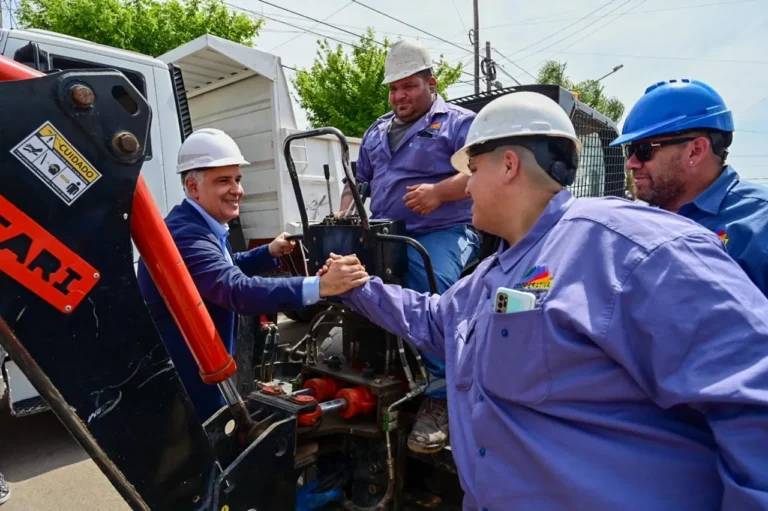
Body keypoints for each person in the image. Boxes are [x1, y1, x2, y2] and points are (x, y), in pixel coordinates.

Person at [318, 91, 768, 509]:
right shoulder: (496, 270)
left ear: (509, 165)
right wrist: (358, 287)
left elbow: (751, 402)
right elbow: (435, 319)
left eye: (472, 172)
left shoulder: (633, 249)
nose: (467, 188)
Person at [137, 128, 366, 422]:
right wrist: (320, 285)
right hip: (188, 378)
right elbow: (235, 290)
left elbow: (226, 265)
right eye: (223, 181)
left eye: (237, 179)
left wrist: (269, 252)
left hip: (199, 368)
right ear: (193, 187)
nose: (237, 190)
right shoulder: (185, 235)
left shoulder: (200, 225)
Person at [337, 38, 479, 454]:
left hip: (445, 231)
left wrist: (439, 192)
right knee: (342, 272)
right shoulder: (377, 130)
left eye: (409, 86)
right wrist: (346, 213)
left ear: (431, 83)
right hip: (384, 232)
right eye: (394, 88)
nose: (400, 95)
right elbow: (357, 182)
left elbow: (482, 173)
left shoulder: (459, 124)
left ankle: (440, 395)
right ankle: (364, 361)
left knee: (421, 275)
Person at [611, 79, 768, 295]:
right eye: (630, 150)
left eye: (644, 150)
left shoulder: (760, 225)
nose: (631, 163)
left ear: (696, 150)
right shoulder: (638, 221)